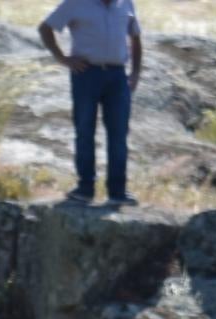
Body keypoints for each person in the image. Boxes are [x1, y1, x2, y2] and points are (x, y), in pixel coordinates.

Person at [39, 0, 143, 205]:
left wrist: (136, 72)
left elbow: (136, 37)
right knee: (85, 130)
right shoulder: (76, 3)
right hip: (87, 73)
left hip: (117, 75)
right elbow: (45, 28)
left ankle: (117, 191)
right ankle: (85, 188)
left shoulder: (126, 4)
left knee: (119, 134)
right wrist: (63, 58)